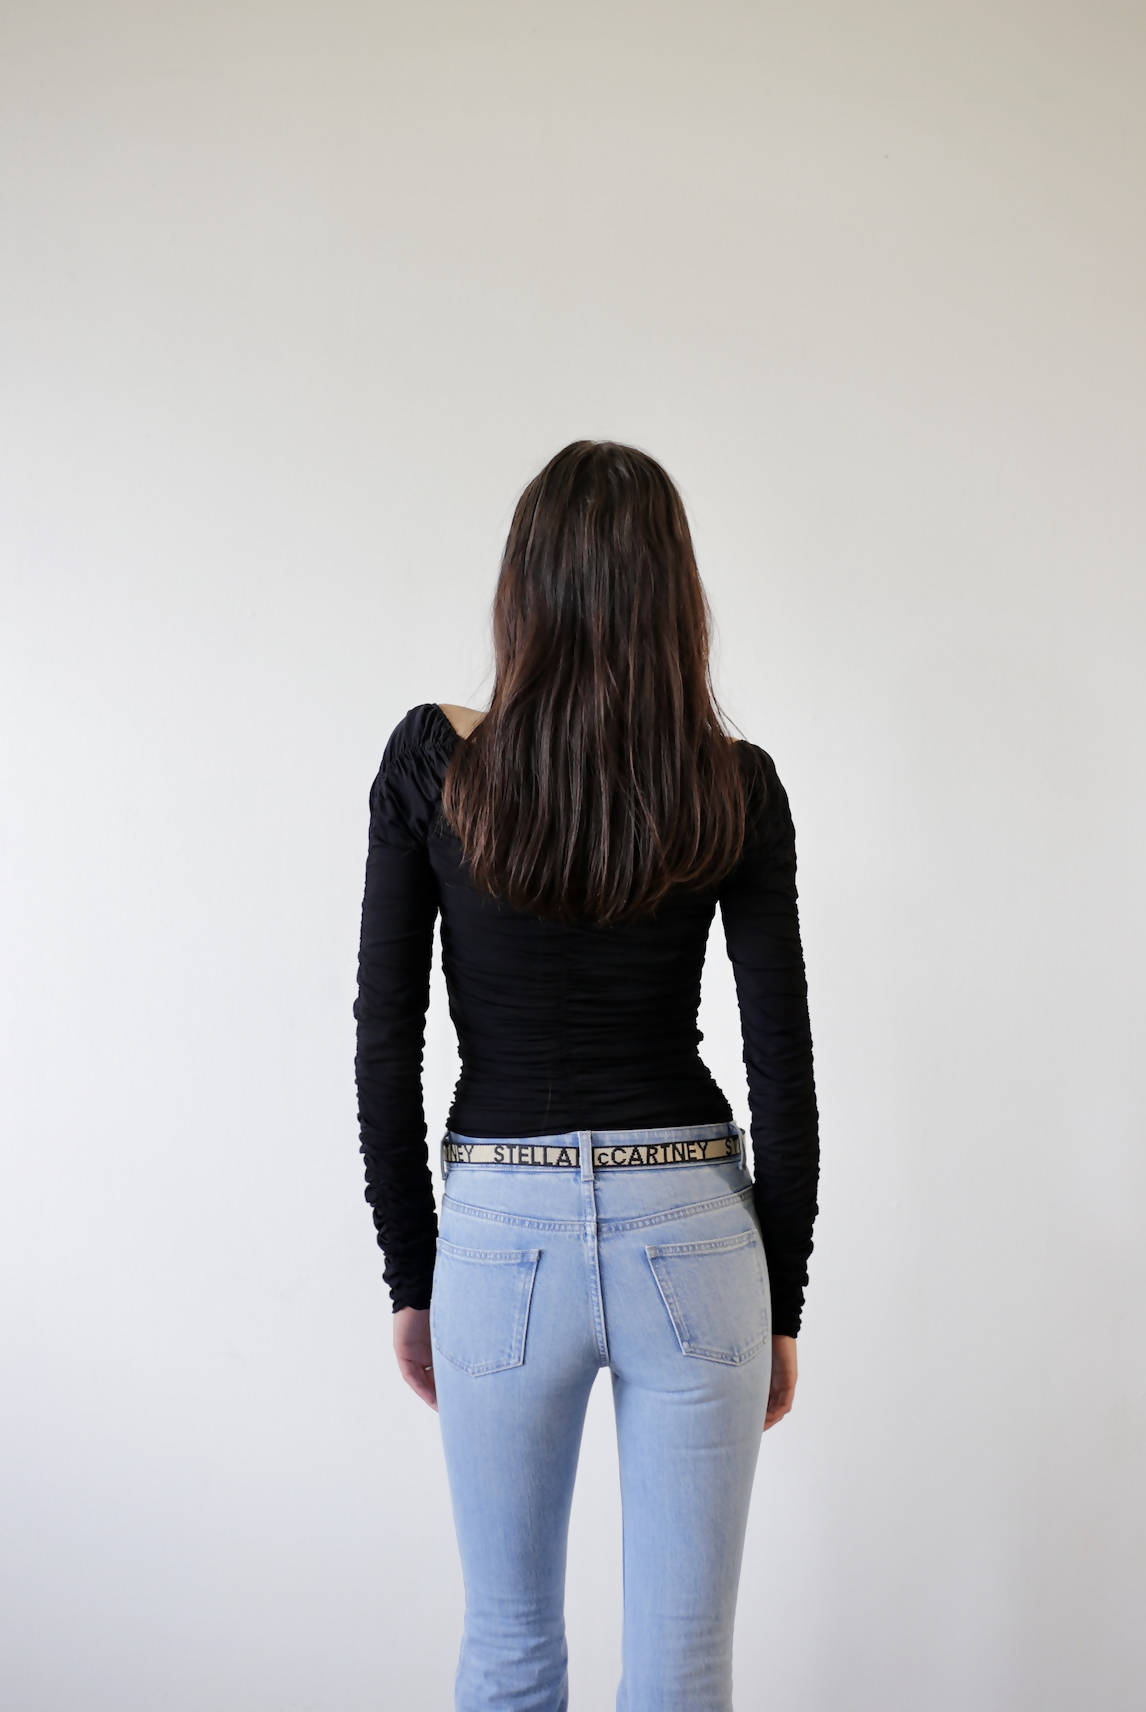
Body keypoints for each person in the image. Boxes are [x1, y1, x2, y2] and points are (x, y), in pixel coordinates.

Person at [353, 439, 821, 1712]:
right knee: (682, 1673)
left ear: (523, 585)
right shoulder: (734, 784)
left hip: (500, 1238)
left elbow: (384, 1041)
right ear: (677, 596)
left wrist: (415, 1272)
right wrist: (782, 1291)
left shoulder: (432, 761)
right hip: (695, 1231)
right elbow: (781, 1055)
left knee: (508, 1651)